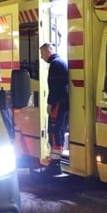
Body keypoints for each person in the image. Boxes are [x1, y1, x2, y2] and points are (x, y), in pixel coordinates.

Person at [39, 42, 69, 174]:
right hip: (64, 102)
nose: (41, 57)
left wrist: (50, 103)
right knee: (60, 131)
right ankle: (56, 161)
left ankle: (55, 164)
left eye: (42, 54)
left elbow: (55, 86)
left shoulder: (55, 64)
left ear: (47, 51)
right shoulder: (61, 62)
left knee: (54, 131)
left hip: (58, 103)